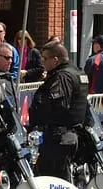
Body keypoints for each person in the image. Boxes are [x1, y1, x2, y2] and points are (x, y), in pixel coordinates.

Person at [30, 40, 89, 178]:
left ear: (55, 60)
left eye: (45, 59)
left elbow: (58, 105)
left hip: (58, 137)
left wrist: (41, 120)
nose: (42, 62)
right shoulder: (78, 73)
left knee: (52, 178)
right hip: (70, 135)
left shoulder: (62, 76)